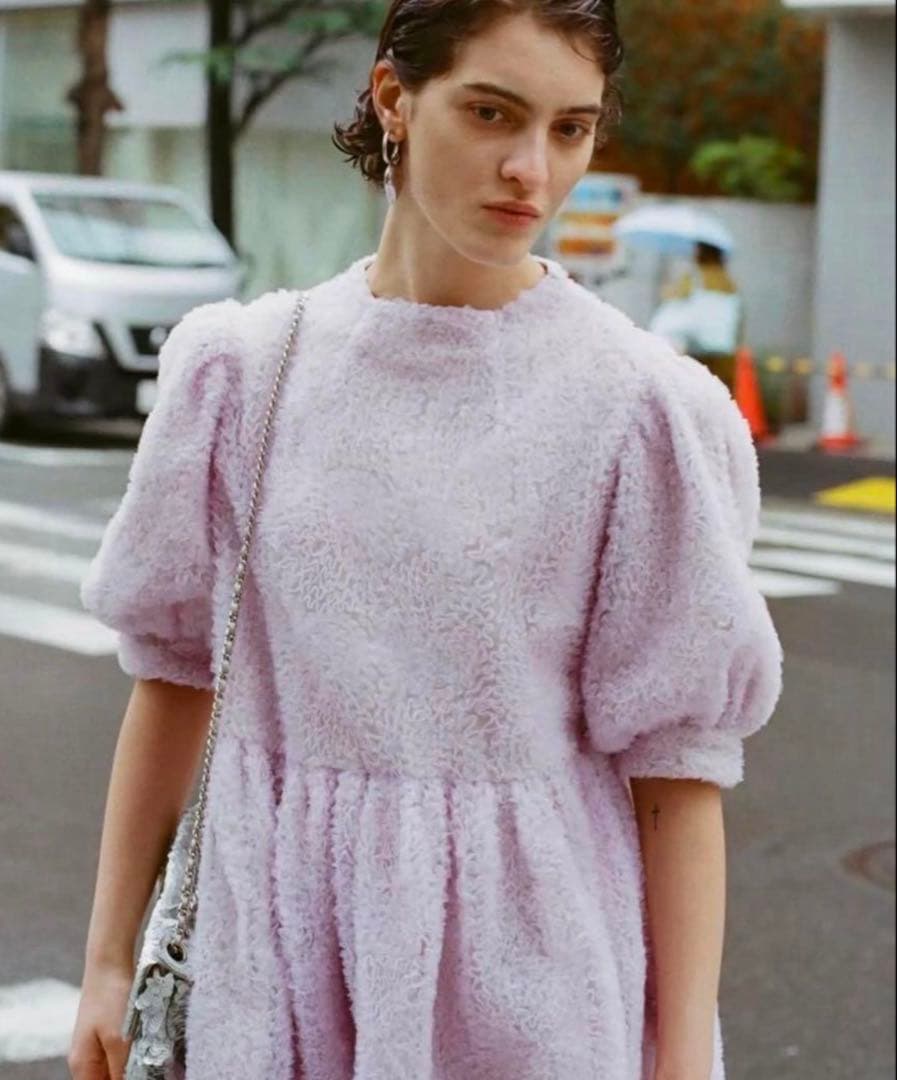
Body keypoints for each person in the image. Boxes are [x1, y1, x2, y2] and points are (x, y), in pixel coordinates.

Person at [68, 3, 783, 1079]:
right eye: (492, 113)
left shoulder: (638, 409)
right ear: (395, 99)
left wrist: (681, 1060)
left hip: (531, 982)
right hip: (270, 969)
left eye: (570, 129)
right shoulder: (245, 372)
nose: (531, 169)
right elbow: (174, 676)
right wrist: (108, 961)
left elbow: (676, 770)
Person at [651, 241, 745, 389]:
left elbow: (675, 300)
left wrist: (666, 291)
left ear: (702, 252)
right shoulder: (730, 282)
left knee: (695, 395)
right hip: (725, 354)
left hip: (698, 352)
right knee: (720, 397)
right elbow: (738, 322)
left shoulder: (695, 277)